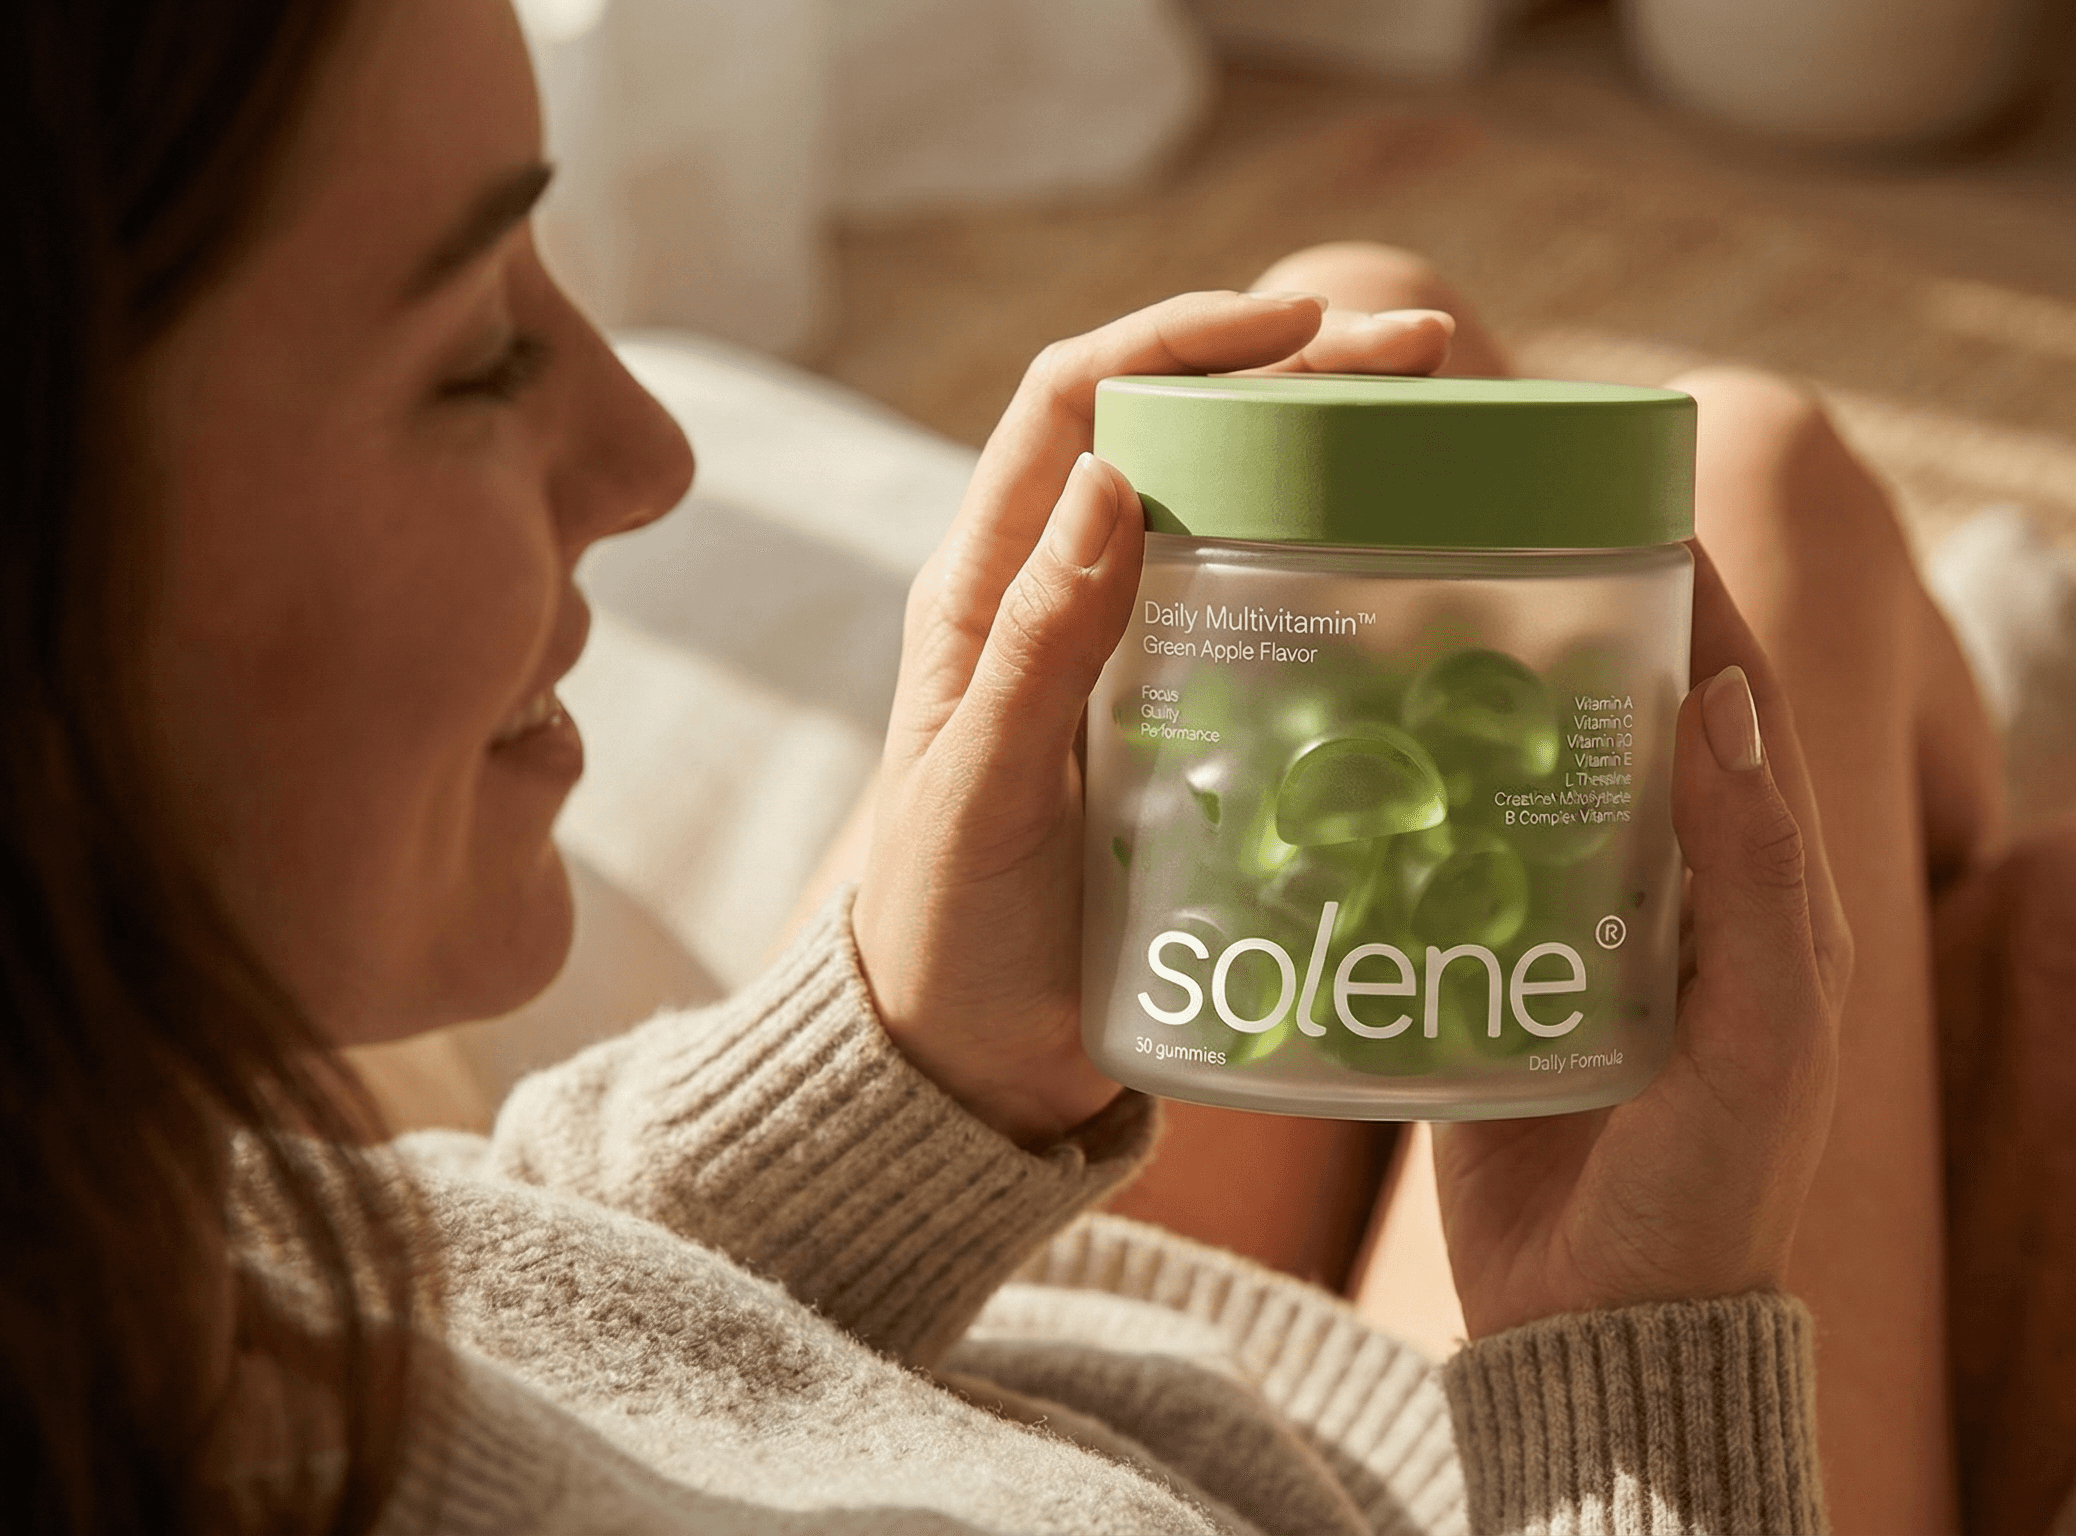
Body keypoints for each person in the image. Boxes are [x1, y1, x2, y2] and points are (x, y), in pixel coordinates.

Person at [5, 0, 1858, 1529]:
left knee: (1361, 325)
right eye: (481, 357)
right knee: (1771, 490)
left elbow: (491, 1323)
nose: (654, 455)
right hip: (1503, 1461)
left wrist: (915, 1062)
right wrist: (1644, 1363)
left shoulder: (96, 1235)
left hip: (1009, 1349)